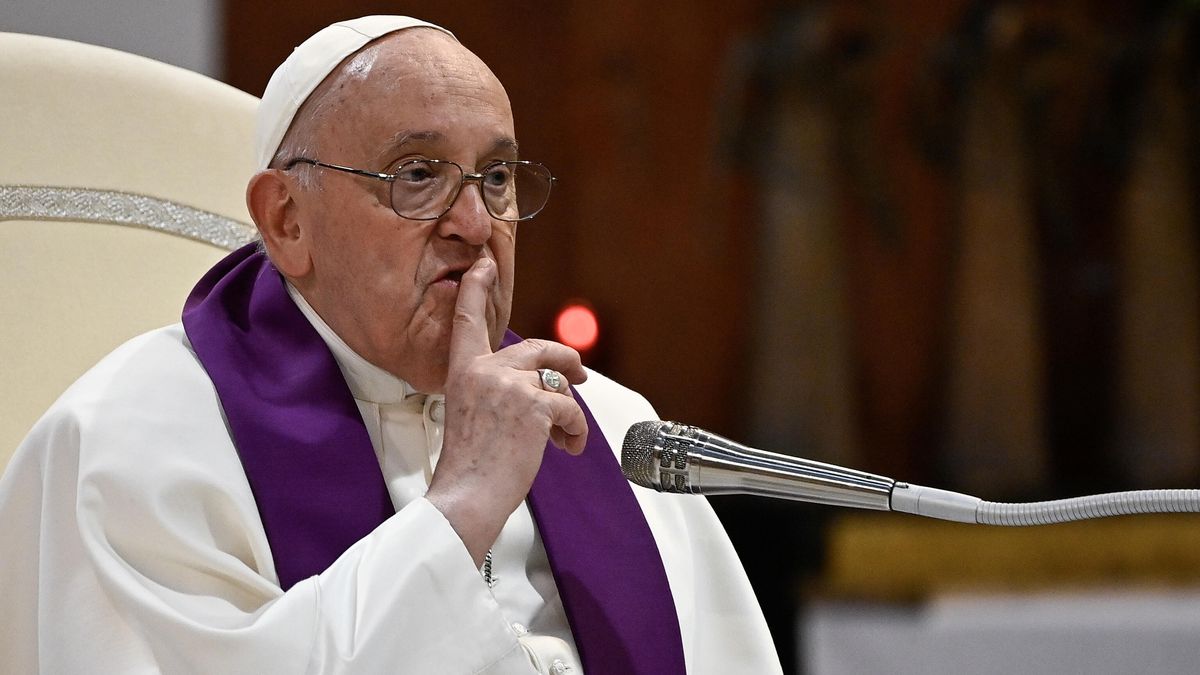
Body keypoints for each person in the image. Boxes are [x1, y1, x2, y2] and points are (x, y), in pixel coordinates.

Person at [0, 15, 781, 674]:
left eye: (497, 177)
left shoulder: (607, 427)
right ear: (287, 221)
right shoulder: (135, 444)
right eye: (417, 175)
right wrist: (462, 501)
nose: (474, 225)